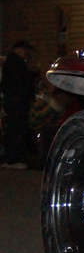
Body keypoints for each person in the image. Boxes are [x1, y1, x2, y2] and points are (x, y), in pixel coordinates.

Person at [1, 40, 37, 168]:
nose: (27, 53)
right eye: (25, 49)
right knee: (15, 128)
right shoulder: (16, 62)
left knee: (14, 128)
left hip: (14, 99)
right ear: (18, 49)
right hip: (16, 100)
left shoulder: (12, 62)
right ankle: (12, 158)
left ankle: (11, 157)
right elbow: (22, 81)